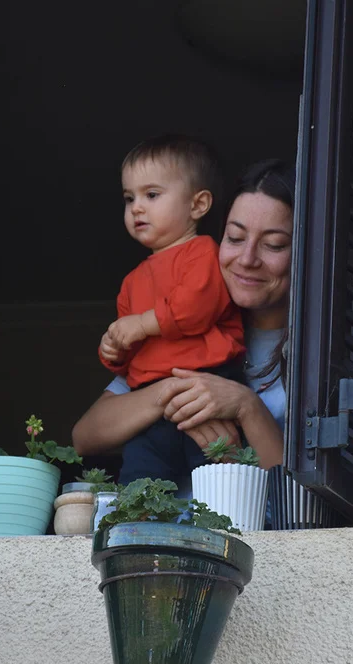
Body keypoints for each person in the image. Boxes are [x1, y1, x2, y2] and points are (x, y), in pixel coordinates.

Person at [75, 158, 295, 500]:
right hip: (161, 529)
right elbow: (85, 435)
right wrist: (176, 391)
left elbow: (300, 503)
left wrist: (245, 406)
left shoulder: (317, 353)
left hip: (252, 528)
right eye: (235, 238)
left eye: (274, 244)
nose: (247, 259)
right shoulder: (191, 333)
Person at [98, 134, 245, 488]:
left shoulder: (204, 253)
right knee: (139, 483)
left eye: (151, 195)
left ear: (198, 205)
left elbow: (194, 309)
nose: (137, 207)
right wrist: (114, 349)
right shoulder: (132, 281)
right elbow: (133, 351)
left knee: (218, 481)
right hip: (150, 404)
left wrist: (141, 324)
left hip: (206, 389)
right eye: (129, 198)